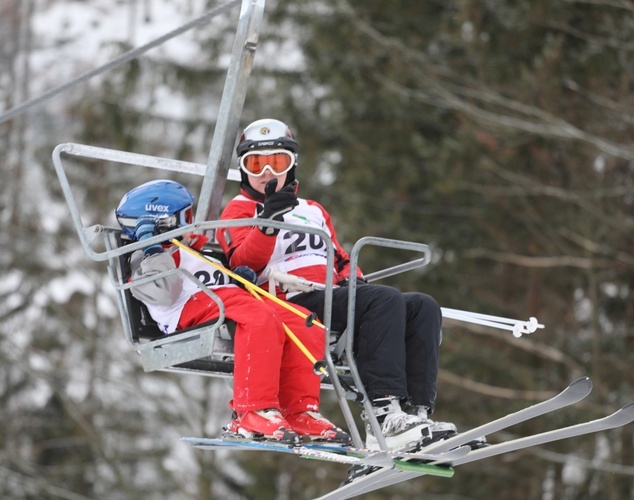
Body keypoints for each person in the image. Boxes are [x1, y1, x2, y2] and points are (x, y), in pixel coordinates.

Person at [216, 119, 457, 452]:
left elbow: (339, 258)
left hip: (332, 294)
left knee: (421, 306)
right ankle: (383, 416)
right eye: (256, 163)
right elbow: (243, 261)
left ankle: (414, 413)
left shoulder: (312, 210)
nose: (268, 171)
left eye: (278, 161)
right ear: (243, 169)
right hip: (291, 299)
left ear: (292, 165)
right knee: (383, 300)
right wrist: (267, 224)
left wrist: (354, 283)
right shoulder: (238, 211)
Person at [116, 179, 349, 445]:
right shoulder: (146, 258)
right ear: (163, 223)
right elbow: (163, 292)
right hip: (185, 309)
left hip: (226, 300)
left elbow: (220, 282)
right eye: (185, 218)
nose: (192, 224)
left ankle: (298, 410)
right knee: (258, 316)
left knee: (303, 321)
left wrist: (238, 278)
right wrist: (153, 245)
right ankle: (252, 410)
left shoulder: (196, 251)